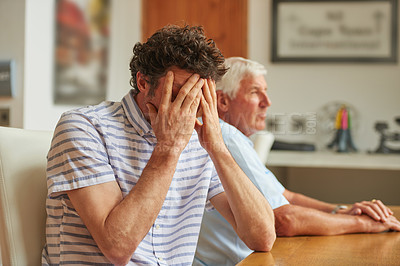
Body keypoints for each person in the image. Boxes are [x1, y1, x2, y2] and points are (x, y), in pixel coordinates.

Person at [41, 27, 276, 265]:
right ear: (143, 82)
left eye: (200, 94)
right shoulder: (84, 128)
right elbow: (117, 248)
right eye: (181, 92)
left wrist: (218, 148)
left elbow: (262, 238)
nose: (191, 105)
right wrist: (168, 148)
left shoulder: (198, 141)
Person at [194, 57, 400, 265]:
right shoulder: (225, 136)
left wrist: (340, 210)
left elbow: (286, 196)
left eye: (266, 91)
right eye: (255, 92)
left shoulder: (233, 137)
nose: (267, 101)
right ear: (222, 101)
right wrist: (362, 224)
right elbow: (284, 220)